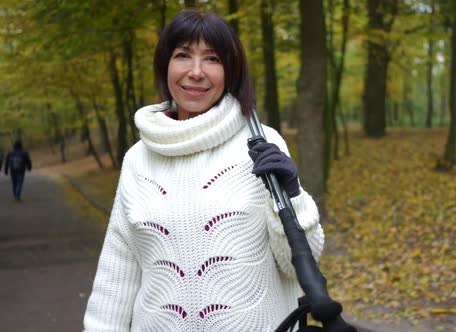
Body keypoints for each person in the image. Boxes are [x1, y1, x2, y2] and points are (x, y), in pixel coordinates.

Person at [83, 9, 324, 332]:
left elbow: (297, 267)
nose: (195, 72)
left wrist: (292, 195)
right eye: (183, 55)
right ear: (165, 65)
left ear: (230, 71)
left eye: (212, 59)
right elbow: (117, 274)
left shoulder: (262, 144)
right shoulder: (137, 159)